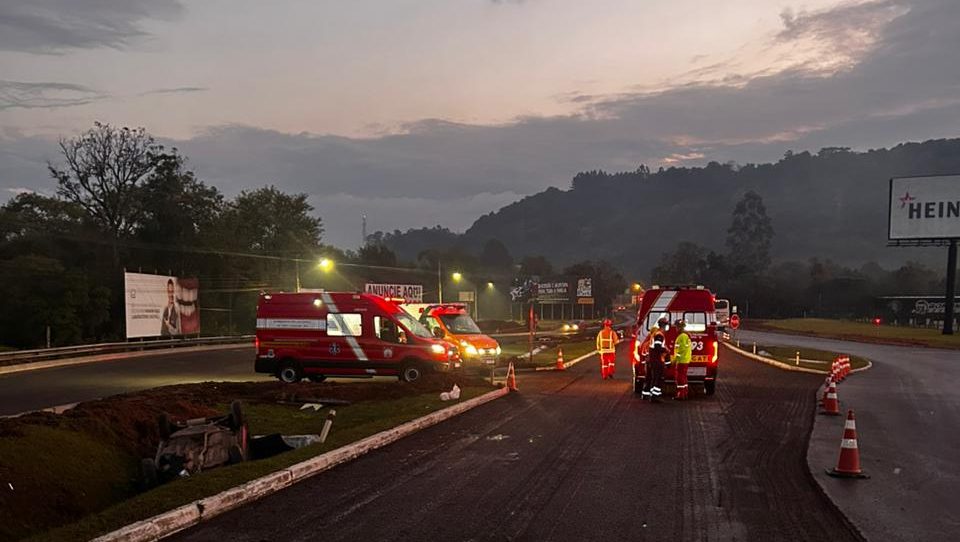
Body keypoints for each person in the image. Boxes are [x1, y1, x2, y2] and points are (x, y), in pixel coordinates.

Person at [642, 331, 668, 402]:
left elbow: (643, 353)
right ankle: (654, 396)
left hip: (650, 362)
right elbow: (658, 348)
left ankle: (647, 394)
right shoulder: (658, 336)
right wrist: (666, 351)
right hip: (656, 362)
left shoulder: (648, 343)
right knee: (657, 378)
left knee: (650, 378)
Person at [672, 319, 692, 400]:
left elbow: (680, 350)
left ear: (680, 327)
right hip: (685, 360)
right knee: (683, 378)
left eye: (676, 327)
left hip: (681, 361)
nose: (676, 329)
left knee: (680, 378)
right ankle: (684, 393)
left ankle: (680, 395)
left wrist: (674, 360)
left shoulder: (682, 336)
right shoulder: (685, 335)